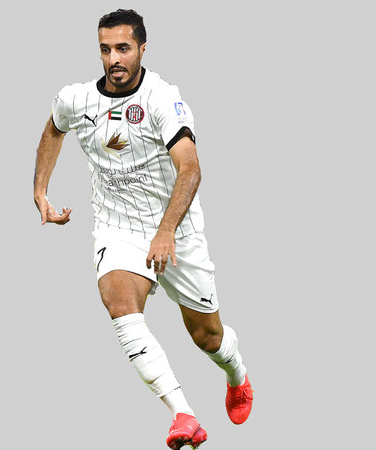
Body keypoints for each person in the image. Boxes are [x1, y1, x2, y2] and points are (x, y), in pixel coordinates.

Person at [32, 9, 253, 450]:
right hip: (118, 227)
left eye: (123, 48)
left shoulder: (162, 99)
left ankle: (237, 375)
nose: (114, 59)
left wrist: (166, 231)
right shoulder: (76, 99)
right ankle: (183, 415)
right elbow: (54, 128)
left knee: (207, 337)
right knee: (119, 304)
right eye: (105, 49)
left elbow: (190, 169)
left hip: (176, 230)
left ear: (142, 49)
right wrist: (40, 191)